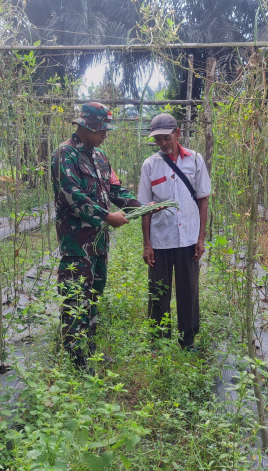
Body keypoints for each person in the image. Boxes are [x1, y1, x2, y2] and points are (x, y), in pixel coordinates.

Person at [51, 102, 142, 368]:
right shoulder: (64, 155)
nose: (105, 135)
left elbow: (115, 189)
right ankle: (74, 359)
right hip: (76, 243)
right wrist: (105, 216)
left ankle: (89, 350)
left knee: (94, 295)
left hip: (100, 242)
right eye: (101, 130)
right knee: (75, 296)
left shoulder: (101, 157)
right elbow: (70, 194)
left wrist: (141, 207)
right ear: (86, 126)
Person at [138, 113, 211, 350]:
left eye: (166, 138)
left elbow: (203, 201)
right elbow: (144, 208)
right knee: (159, 290)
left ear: (177, 133)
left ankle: (187, 340)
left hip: (188, 237)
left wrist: (200, 239)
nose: (162, 143)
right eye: (157, 140)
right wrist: (147, 244)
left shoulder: (196, 160)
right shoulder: (150, 165)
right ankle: (159, 339)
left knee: (188, 290)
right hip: (160, 239)